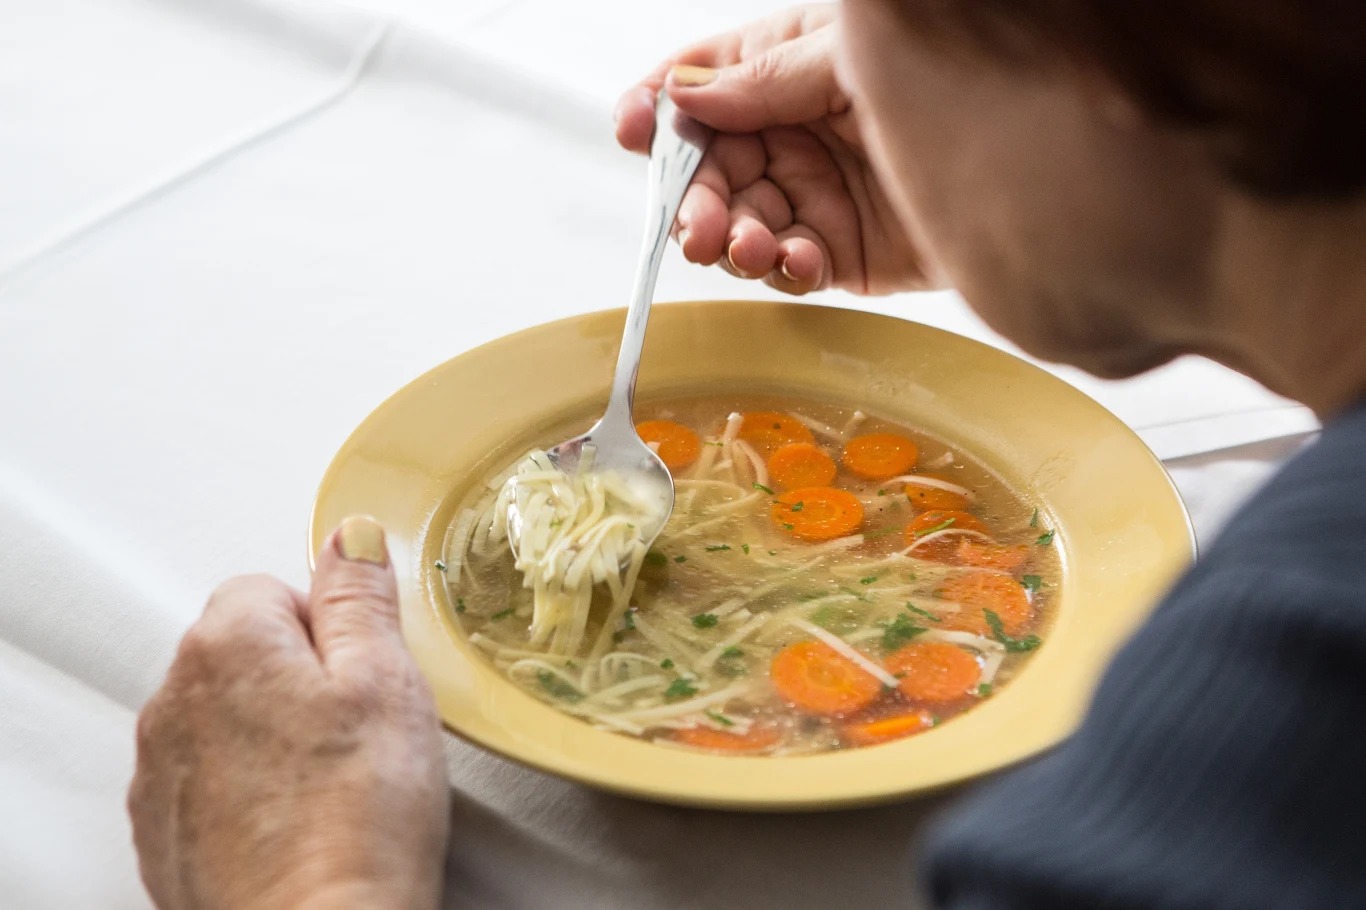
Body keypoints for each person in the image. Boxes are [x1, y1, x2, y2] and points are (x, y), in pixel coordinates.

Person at [129, 1, 1366, 907]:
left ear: (1101, 57)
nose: (835, 53)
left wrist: (313, 880)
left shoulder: (1272, 704)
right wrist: (1067, 173)